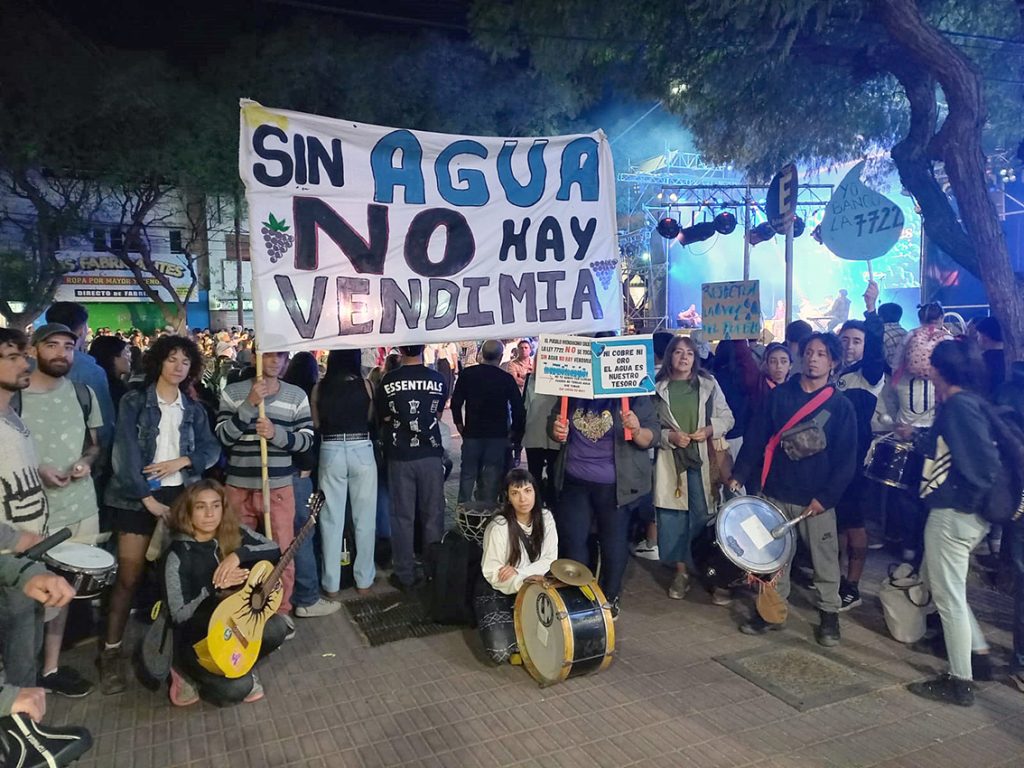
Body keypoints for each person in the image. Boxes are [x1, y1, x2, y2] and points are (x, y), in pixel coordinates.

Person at [97, 335, 222, 693]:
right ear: (158, 362)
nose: (178, 366)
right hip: (135, 498)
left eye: (185, 361)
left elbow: (212, 449)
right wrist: (147, 499)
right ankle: (110, 653)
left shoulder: (194, 408)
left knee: (179, 579)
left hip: (181, 497)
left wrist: (185, 460)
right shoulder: (135, 401)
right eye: (172, 359)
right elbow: (123, 454)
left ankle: (175, 654)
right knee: (129, 577)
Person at [730, 332, 857, 646]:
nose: (813, 359)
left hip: (815, 500)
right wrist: (739, 474)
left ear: (833, 362)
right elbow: (757, 437)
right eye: (810, 352)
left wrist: (825, 498)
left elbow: (846, 459)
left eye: (822, 354)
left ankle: (829, 614)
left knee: (825, 560)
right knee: (774, 559)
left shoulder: (841, 407)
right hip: (775, 490)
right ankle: (772, 613)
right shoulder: (780, 396)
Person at [908, 341, 999, 706]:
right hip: (962, 515)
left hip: (953, 514)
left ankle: (960, 681)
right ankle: (979, 655)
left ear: (940, 369)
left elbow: (982, 466)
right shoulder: (971, 402)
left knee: (948, 599)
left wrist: (966, 503)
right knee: (950, 588)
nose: (928, 371)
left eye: (932, 365)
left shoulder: (959, 407)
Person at [17, 324, 103, 697]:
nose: (61, 353)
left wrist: (85, 462)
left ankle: (50, 669)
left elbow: (94, 445)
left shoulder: (83, 393)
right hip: (30, 517)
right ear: (33, 350)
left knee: (63, 592)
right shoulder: (14, 398)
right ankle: (21, 678)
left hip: (81, 508)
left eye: (68, 346)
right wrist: (38, 470)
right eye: (51, 345)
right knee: (25, 596)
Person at [163, 480, 287, 707]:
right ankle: (183, 672)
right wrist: (215, 587)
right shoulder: (178, 555)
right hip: (198, 639)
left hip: (232, 625)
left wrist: (238, 555)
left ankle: (240, 664)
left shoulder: (233, 531)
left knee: (278, 627)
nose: (210, 514)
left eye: (216, 505)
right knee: (237, 689)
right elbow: (179, 616)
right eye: (200, 507)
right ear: (188, 512)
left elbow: (273, 549)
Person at [216, 349, 314, 634]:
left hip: (279, 485)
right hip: (238, 485)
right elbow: (223, 436)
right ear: (254, 357)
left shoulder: (296, 395)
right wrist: (249, 404)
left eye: (280, 356)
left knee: (282, 552)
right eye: (269, 354)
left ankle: (280, 612)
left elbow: (307, 440)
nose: (275, 361)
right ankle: (240, 611)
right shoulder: (233, 393)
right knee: (236, 551)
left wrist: (275, 434)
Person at [550, 391, 658, 617]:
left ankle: (610, 596)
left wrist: (636, 430)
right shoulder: (572, 390)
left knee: (613, 542)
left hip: (616, 485)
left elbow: (652, 436)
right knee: (573, 540)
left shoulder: (633, 394)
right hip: (574, 480)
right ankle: (579, 594)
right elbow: (554, 423)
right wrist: (556, 430)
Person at [653, 335, 734, 603]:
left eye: (689, 353)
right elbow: (649, 425)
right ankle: (681, 572)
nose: (684, 358)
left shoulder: (708, 385)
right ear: (669, 356)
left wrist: (710, 429)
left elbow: (727, 418)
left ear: (695, 357)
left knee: (704, 517)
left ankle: (711, 571)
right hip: (671, 462)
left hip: (703, 461)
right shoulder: (656, 387)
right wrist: (669, 437)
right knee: (673, 518)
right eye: (678, 352)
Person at [377, 345, 448, 591]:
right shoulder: (438, 379)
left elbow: (384, 417)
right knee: (433, 515)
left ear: (400, 349)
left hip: (400, 454)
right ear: (424, 347)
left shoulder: (389, 380)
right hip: (430, 453)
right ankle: (433, 572)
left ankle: (404, 573)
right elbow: (438, 414)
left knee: (402, 517)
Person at [833, 282, 885, 610]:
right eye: (845, 340)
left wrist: (871, 310)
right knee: (836, 522)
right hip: (830, 461)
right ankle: (836, 577)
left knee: (854, 523)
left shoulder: (870, 374)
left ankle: (852, 586)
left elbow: (877, 350)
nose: (850, 346)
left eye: (857, 341)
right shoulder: (835, 373)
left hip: (855, 462)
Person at [475, 469, 558, 664]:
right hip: (498, 588)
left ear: (535, 492)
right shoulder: (499, 526)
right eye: (515, 493)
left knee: (552, 635)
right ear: (507, 497)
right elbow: (493, 573)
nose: (523, 499)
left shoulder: (546, 517)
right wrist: (526, 579)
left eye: (528, 491)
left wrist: (521, 572)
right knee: (500, 652)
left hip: (531, 582)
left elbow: (549, 559)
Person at [312, 350, 377, 599]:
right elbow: (370, 418)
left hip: (331, 449)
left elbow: (316, 424)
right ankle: (364, 581)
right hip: (361, 447)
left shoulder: (319, 388)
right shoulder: (366, 385)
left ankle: (331, 585)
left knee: (330, 520)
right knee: (365, 519)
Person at [281, 352, 336, 618]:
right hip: (298, 473)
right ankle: (306, 598)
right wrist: (306, 465)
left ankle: (285, 597)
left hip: (279, 472)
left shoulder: (282, 392)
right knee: (302, 533)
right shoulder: (307, 394)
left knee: (283, 535)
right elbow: (309, 433)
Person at [451, 340, 525, 505]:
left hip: (472, 432)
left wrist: (459, 424)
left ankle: (463, 509)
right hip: (497, 435)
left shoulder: (467, 374)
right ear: (500, 356)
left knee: (468, 473)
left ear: (482, 354)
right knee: (491, 475)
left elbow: (456, 402)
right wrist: (514, 432)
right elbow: (518, 408)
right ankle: (486, 510)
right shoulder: (506, 378)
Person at [45, 302, 115, 451]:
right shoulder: (90, 371)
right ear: (81, 330)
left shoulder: (28, 364)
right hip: (79, 452)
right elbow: (102, 422)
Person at [88, 335, 130, 409]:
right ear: (113, 357)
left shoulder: (91, 383)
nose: (130, 358)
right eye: (126, 353)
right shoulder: (116, 391)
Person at [975, 316, 1005, 397]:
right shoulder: (1011, 358)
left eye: (978, 336)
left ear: (984, 337)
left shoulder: (980, 360)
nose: (977, 339)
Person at [878, 302, 908, 374]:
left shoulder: (880, 333)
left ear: (881, 317)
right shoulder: (906, 333)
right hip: (909, 376)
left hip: (890, 376)